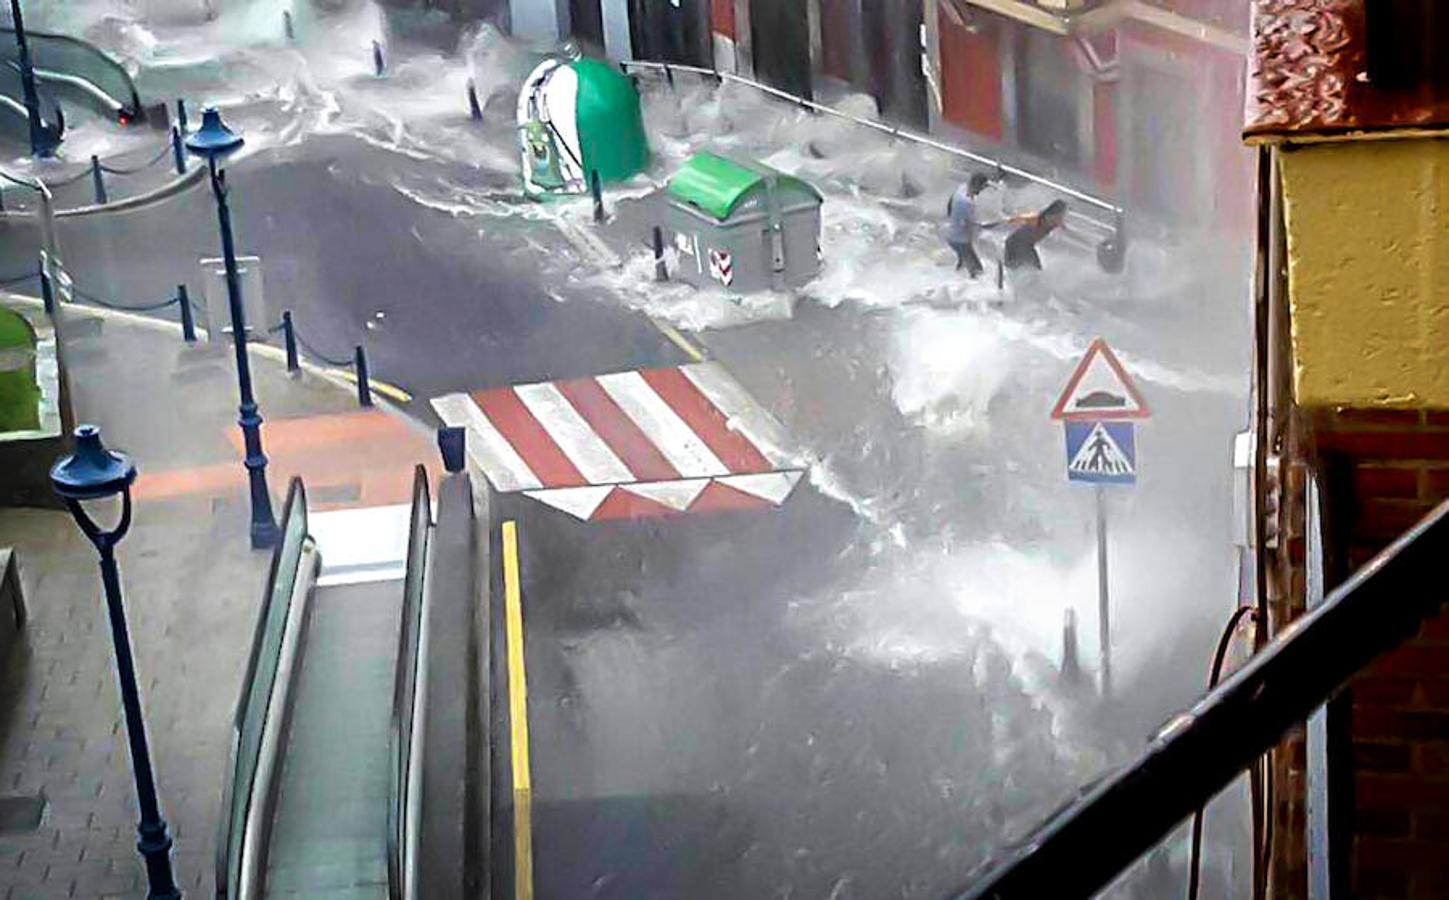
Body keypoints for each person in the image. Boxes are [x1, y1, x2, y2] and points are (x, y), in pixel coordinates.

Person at [943, 173, 993, 278]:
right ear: (976, 185)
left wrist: (952, 218)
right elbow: (967, 225)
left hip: (951, 235)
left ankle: (955, 278)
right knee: (977, 270)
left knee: (963, 262)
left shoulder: (961, 188)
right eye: (982, 187)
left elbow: (950, 202)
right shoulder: (967, 203)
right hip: (960, 240)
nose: (982, 191)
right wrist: (973, 239)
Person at [1003, 199, 1069, 271]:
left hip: (1027, 246)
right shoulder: (1035, 219)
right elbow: (1013, 220)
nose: (1061, 219)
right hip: (1013, 243)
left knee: (1036, 269)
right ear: (1052, 213)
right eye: (1060, 215)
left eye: (1062, 216)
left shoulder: (1055, 223)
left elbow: (1064, 228)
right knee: (1014, 266)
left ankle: (1025, 279)